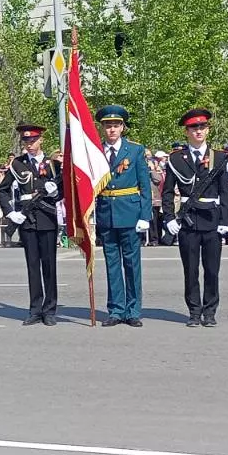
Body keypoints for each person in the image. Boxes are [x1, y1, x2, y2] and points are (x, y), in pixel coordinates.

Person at [163, 109, 228, 326]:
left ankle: (210, 312)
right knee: (190, 270)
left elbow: (225, 192)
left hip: (212, 220)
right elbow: (167, 192)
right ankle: (194, 311)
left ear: (208, 130)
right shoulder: (176, 158)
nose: (199, 131)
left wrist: (225, 221)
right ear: (187, 132)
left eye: (202, 127)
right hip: (188, 221)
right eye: (194, 128)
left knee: (212, 270)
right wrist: (169, 218)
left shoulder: (218, 157)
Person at [94, 105, 152, 327]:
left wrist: (145, 215)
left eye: (116, 125)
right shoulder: (96, 150)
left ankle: (133, 310)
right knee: (112, 263)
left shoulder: (135, 150)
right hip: (106, 211)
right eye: (108, 126)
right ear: (102, 128)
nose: (112, 130)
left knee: (132, 263)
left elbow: (144, 185)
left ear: (123, 127)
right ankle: (116, 310)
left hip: (130, 211)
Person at [0, 124, 62, 325]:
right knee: (33, 267)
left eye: (33, 140)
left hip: (47, 219)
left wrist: (55, 193)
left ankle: (50, 310)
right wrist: (11, 213)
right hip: (27, 221)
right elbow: (3, 190)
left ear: (41, 140)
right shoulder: (17, 164)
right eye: (26, 141)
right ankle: (35, 309)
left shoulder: (53, 165)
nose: (30, 144)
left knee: (49, 267)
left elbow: (64, 191)